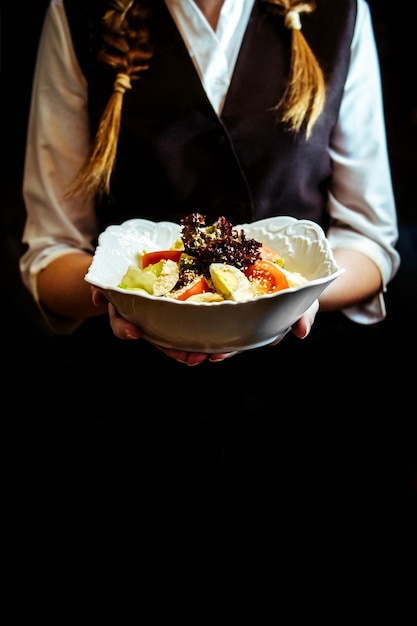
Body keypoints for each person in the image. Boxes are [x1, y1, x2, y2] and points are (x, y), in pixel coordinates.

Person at [19, 0, 401, 567]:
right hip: (136, 421)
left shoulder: (340, 14)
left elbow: (371, 240)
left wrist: (300, 289)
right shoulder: (77, 15)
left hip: (310, 419)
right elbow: (50, 255)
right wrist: (118, 295)